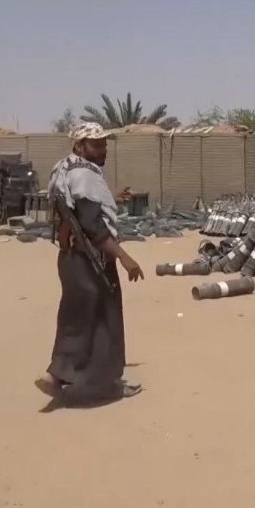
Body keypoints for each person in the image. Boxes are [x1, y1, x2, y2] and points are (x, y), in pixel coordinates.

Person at [36, 122, 145, 402]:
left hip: (70, 258)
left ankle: (59, 376)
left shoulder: (64, 168)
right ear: (79, 146)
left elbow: (79, 209)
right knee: (101, 319)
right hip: (89, 259)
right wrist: (124, 256)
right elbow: (92, 225)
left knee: (79, 315)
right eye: (96, 144)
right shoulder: (85, 174)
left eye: (104, 143)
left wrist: (113, 200)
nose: (103, 149)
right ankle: (90, 381)